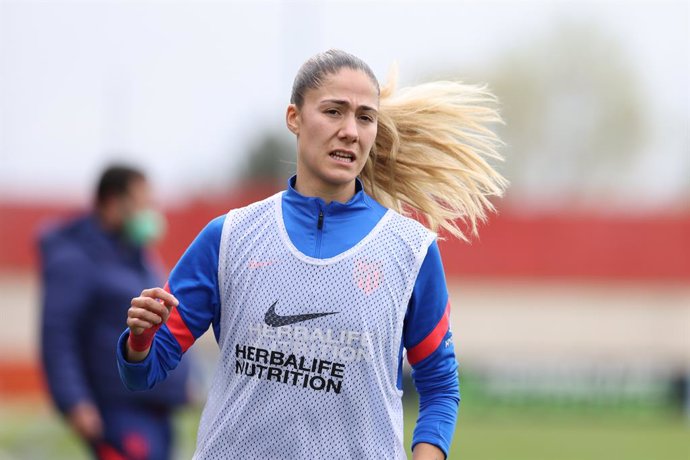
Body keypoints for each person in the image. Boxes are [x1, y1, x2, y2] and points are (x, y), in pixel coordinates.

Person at [116, 49, 508, 459]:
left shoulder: (411, 250)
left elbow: (440, 387)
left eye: (365, 117)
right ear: (294, 118)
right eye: (334, 111)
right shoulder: (229, 236)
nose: (351, 131)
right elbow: (143, 372)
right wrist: (139, 339)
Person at [39, 165, 191, 460]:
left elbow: (163, 321)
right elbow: (58, 336)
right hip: (116, 410)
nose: (151, 213)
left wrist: (186, 378)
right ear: (112, 203)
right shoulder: (75, 258)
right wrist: (74, 402)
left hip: (156, 408)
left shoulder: (138, 255)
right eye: (142, 203)